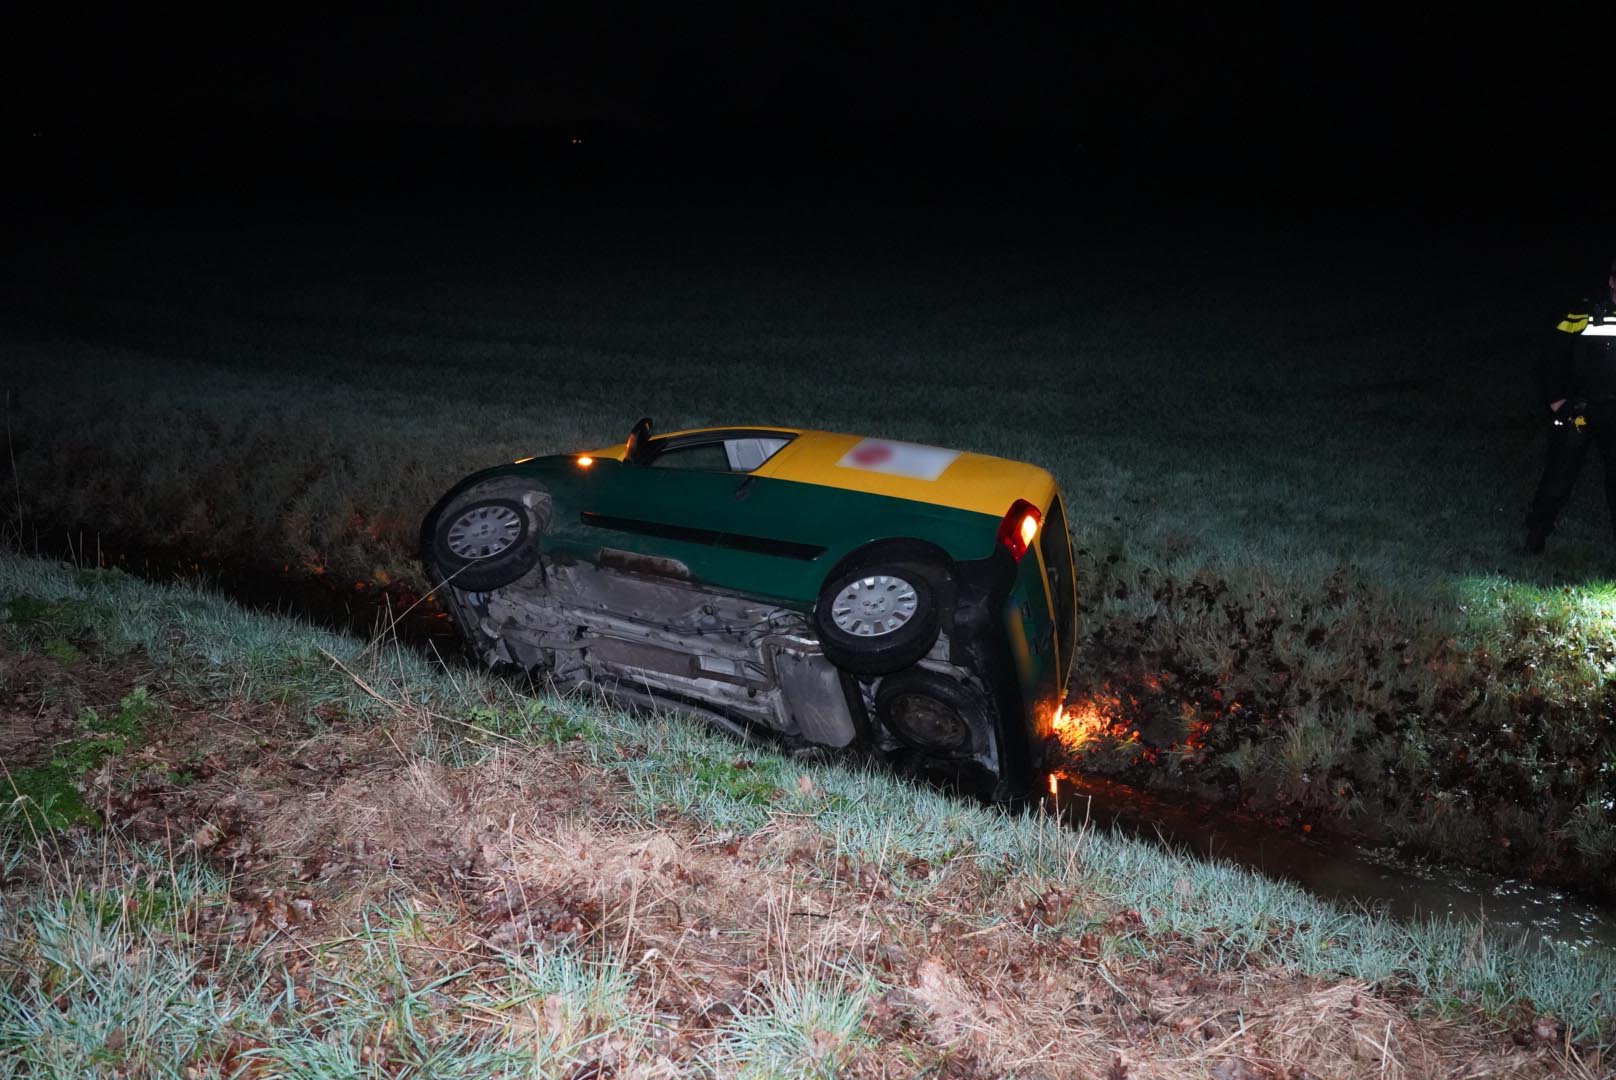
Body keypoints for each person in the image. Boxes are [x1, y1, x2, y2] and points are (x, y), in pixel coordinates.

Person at [1524, 257, 1616, 553]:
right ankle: (1534, 540)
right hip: (1579, 410)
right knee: (1558, 476)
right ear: (1612, 281)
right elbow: (1551, 356)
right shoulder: (1582, 312)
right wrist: (1556, 400)